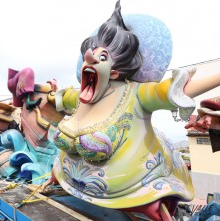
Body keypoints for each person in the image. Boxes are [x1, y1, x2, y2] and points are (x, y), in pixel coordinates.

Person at [49, 1, 220, 220]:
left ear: (113, 72)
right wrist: (51, 91)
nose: (90, 59)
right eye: (90, 55)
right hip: (68, 180)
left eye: (102, 57)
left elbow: (175, 89)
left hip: (130, 189)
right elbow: (60, 97)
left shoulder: (136, 93)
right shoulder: (84, 95)